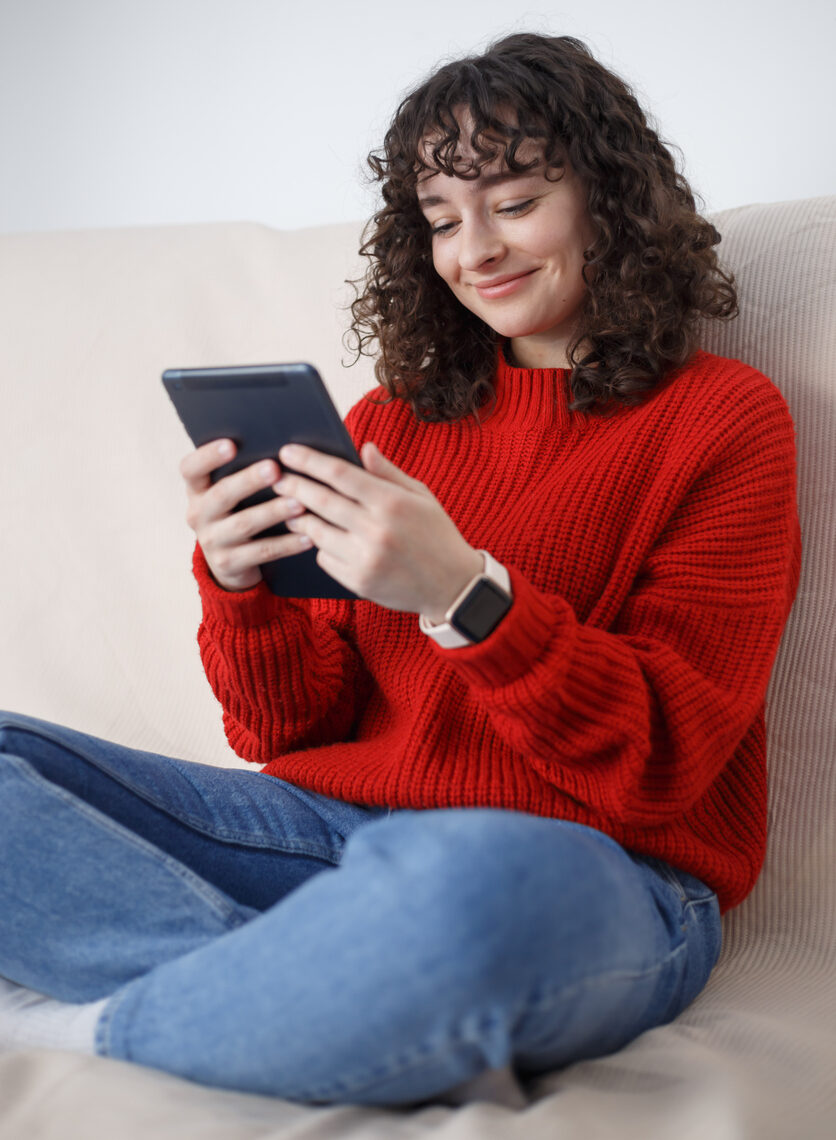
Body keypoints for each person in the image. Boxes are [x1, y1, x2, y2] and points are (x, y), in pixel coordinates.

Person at [0, 32, 800, 1108]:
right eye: (440, 221)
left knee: (474, 889)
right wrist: (240, 587)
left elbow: (661, 762)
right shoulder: (387, 422)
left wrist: (464, 597)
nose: (474, 251)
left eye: (513, 203)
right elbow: (289, 738)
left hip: (586, 869)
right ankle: (307, 990)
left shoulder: (721, 419)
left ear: (610, 201)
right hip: (327, 843)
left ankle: (130, 1018)